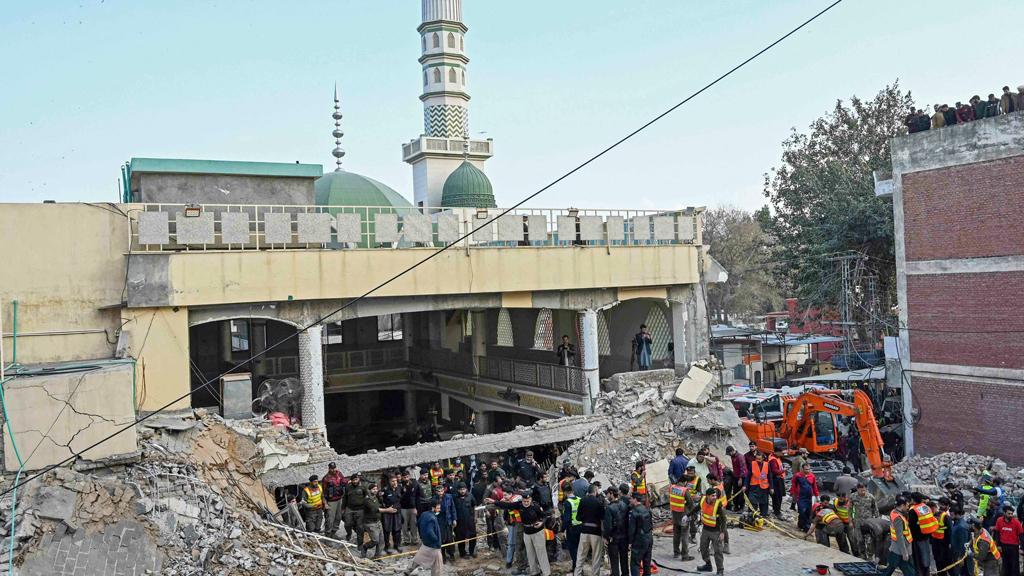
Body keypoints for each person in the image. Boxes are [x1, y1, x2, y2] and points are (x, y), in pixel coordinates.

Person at [489, 491, 551, 576]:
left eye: (527, 501)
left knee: (541, 553)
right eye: (524, 501)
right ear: (522, 500)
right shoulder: (519, 505)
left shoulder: (535, 506)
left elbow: (544, 516)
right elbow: (507, 505)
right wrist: (494, 501)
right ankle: (535, 571)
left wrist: (541, 523)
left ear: (531, 500)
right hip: (527, 532)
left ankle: (546, 573)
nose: (526, 503)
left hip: (537, 532)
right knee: (530, 553)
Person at [404, 498, 443, 576]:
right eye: (438, 508)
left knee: (419, 558)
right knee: (438, 565)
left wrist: (422, 536)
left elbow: (417, 523)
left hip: (425, 543)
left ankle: (408, 570)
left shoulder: (424, 514)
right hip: (434, 545)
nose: (439, 509)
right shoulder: (432, 518)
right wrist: (436, 540)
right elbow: (430, 532)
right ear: (433, 508)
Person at [574, 483, 605, 576]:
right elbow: (602, 519)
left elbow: (578, 517)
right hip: (596, 532)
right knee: (596, 556)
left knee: (580, 556)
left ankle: (577, 573)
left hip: (584, 531)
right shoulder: (599, 503)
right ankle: (595, 574)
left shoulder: (582, 501)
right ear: (595, 491)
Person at [880, 496, 916, 576]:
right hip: (901, 549)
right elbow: (900, 536)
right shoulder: (898, 518)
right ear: (902, 506)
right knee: (909, 570)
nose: (908, 507)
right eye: (907, 505)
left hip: (896, 547)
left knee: (891, 567)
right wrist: (904, 553)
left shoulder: (894, 512)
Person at [697, 487, 727, 576]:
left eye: (715, 495)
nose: (715, 497)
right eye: (712, 496)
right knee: (703, 548)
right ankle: (708, 565)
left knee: (718, 552)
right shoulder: (703, 500)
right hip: (706, 530)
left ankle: (720, 570)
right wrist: (687, 515)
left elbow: (723, 519)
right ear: (707, 496)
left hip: (716, 532)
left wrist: (722, 532)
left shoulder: (718, 504)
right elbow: (696, 508)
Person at [604, 486, 631, 576]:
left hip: (614, 538)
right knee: (624, 559)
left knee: (614, 560)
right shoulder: (624, 505)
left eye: (607, 493)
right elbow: (627, 521)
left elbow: (608, 526)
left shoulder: (609, 508)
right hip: (624, 537)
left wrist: (606, 537)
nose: (606, 495)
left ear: (611, 493)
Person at [909, 493, 938, 576]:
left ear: (913, 500)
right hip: (926, 536)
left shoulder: (913, 510)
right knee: (926, 558)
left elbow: (911, 526)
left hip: (917, 538)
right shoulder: (926, 507)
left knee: (918, 560)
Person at [850, 482, 880, 558]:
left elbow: (875, 510)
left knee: (869, 540)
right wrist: (850, 520)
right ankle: (862, 555)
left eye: (864, 490)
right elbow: (850, 509)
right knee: (860, 540)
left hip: (869, 522)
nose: (863, 492)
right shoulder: (853, 497)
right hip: (858, 522)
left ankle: (870, 556)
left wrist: (877, 522)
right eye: (861, 490)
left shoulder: (871, 497)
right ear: (857, 489)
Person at [668, 476, 694, 560]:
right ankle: (685, 555)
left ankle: (676, 553)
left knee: (676, 535)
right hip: (683, 516)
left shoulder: (671, 488)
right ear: (685, 482)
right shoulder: (684, 490)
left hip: (675, 515)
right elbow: (690, 503)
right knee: (685, 536)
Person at [628, 492, 654, 576]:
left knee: (635, 564)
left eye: (631, 498)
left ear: (635, 499)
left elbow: (632, 529)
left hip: (639, 540)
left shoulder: (634, 512)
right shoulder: (646, 509)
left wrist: (630, 542)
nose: (630, 500)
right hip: (649, 538)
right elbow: (651, 524)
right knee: (647, 562)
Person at [993, 505, 1022, 576]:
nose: (1011, 515)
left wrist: (1022, 548)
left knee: (1014, 566)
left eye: (1012, 514)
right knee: (1005, 565)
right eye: (1009, 514)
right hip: (1003, 546)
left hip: (1014, 547)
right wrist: (998, 545)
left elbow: (1021, 535)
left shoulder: (1016, 523)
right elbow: (997, 533)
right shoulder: (999, 520)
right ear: (1004, 513)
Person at [790, 462, 820, 532]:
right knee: (801, 511)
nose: (808, 471)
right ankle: (804, 525)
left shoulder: (812, 476)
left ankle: (805, 526)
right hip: (800, 497)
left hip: (809, 497)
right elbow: (793, 485)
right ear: (802, 469)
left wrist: (817, 496)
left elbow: (814, 486)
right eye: (806, 469)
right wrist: (792, 493)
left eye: (809, 469)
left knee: (808, 512)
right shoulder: (797, 476)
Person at [361, 483, 386, 559]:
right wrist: (387, 510)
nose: (375, 490)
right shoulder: (367, 499)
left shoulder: (377, 497)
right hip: (370, 523)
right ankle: (365, 547)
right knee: (375, 540)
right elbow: (375, 509)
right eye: (373, 489)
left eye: (376, 489)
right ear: (369, 490)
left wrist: (381, 497)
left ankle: (377, 556)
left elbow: (381, 504)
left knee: (381, 541)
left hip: (378, 521)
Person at [452, 483, 477, 559]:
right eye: (460, 490)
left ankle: (472, 551)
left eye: (463, 489)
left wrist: (475, 517)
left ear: (466, 489)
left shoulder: (470, 496)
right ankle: (462, 553)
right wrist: (454, 519)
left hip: (470, 520)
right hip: (459, 522)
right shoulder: (454, 498)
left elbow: (474, 505)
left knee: (473, 536)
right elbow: (452, 509)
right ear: (458, 490)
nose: (462, 491)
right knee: (460, 537)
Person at [483, 476, 506, 556]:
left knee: (497, 528)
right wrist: (486, 511)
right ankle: (491, 545)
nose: (500, 483)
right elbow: (484, 500)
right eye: (499, 482)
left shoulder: (500, 487)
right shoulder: (489, 488)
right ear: (495, 482)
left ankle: (497, 544)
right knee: (490, 528)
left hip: (497, 511)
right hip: (490, 510)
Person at [381, 474, 404, 554]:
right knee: (387, 530)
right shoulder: (385, 490)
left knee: (397, 530)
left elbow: (402, 498)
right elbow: (381, 501)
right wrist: (386, 509)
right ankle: (387, 546)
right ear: (389, 482)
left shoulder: (400, 488)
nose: (395, 483)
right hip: (388, 513)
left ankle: (397, 545)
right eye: (393, 481)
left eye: (396, 481)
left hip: (397, 512)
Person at [563, 484, 584, 570]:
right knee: (580, 549)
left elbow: (567, 518)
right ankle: (580, 567)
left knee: (573, 549)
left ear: (565, 492)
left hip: (572, 528)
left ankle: (576, 567)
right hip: (581, 527)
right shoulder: (580, 499)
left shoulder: (567, 502)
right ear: (573, 491)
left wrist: (562, 529)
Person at [343, 473, 368, 543]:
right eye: (353, 480)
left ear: (358, 479)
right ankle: (349, 534)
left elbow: (367, 497)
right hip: (349, 508)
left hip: (360, 509)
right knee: (347, 524)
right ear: (351, 480)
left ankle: (360, 542)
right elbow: (345, 498)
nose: (355, 481)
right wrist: (343, 509)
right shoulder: (348, 487)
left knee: (360, 527)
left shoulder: (363, 487)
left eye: (356, 479)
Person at [322, 463, 346, 537]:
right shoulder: (326, 478)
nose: (334, 469)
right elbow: (323, 492)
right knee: (330, 519)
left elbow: (344, 481)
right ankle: (328, 534)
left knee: (338, 517)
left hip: (339, 499)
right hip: (331, 501)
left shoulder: (339, 474)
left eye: (334, 468)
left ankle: (333, 533)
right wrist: (325, 504)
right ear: (329, 469)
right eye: (332, 468)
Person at [400, 469, 422, 546]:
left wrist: (417, 507)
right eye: (404, 477)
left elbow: (418, 495)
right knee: (404, 525)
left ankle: (415, 539)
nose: (406, 478)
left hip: (413, 507)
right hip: (403, 508)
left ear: (409, 476)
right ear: (402, 478)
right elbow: (399, 497)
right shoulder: (400, 485)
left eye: (407, 476)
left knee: (414, 525)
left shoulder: (414, 483)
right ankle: (406, 540)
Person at [746, 451, 771, 517]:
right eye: (756, 459)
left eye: (759, 459)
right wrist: (745, 485)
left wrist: (772, 487)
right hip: (754, 487)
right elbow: (748, 476)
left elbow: (770, 477)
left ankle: (763, 516)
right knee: (752, 501)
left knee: (764, 503)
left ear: (763, 458)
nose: (757, 460)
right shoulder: (752, 464)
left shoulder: (767, 465)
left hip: (764, 487)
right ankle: (752, 516)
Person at [436, 485, 456, 563]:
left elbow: (453, 508)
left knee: (450, 539)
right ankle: (443, 555)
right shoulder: (434, 499)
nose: (440, 493)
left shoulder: (449, 497)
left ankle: (451, 554)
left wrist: (454, 519)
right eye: (438, 491)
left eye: (441, 491)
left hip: (448, 521)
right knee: (441, 539)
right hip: (439, 522)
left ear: (444, 490)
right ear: (436, 492)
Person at [725, 446, 747, 512]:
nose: (729, 455)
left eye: (729, 453)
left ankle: (741, 507)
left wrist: (740, 479)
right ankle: (736, 506)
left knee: (741, 494)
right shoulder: (733, 457)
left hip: (741, 477)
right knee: (735, 492)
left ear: (732, 451)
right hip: (735, 476)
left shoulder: (740, 457)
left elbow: (743, 469)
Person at [767, 450, 786, 519]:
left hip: (778, 479)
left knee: (779, 496)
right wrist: (783, 470)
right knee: (777, 497)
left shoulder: (776, 458)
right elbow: (775, 471)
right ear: (777, 452)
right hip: (776, 480)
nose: (783, 454)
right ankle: (777, 512)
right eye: (782, 453)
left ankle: (777, 510)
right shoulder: (773, 460)